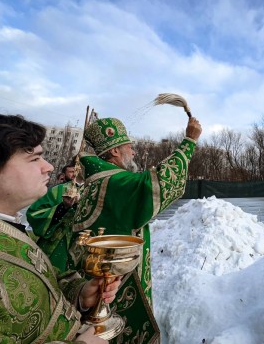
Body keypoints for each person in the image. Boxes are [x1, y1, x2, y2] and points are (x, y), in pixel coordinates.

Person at [0, 112, 121, 344]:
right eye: (34, 159)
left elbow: (37, 273)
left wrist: (80, 294)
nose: (48, 167)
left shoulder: (2, 226)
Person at [67, 116, 202, 344]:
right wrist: (189, 140)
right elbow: (158, 184)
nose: (134, 152)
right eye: (130, 147)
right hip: (116, 287)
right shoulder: (116, 183)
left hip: (87, 285)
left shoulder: (94, 183)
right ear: (115, 152)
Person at [27, 159, 82, 272]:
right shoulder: (58, 190)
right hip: (55, 245)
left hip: (83, 248)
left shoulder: (98, 192)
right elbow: (35, 214)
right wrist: (62, 208)